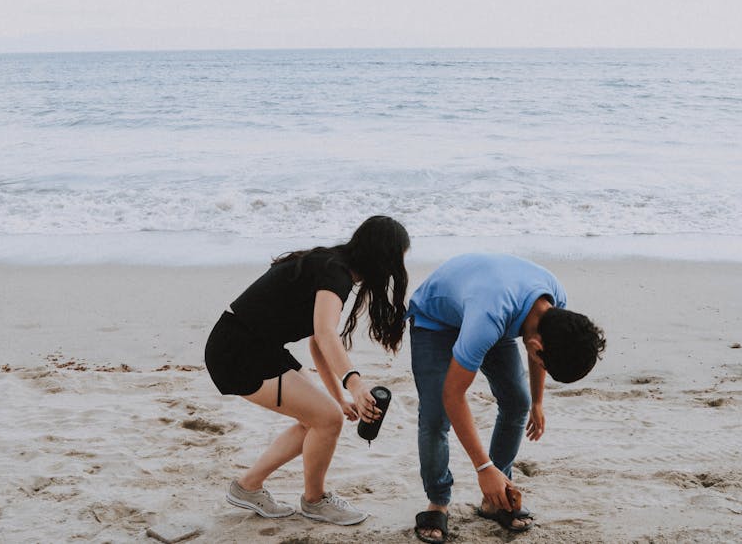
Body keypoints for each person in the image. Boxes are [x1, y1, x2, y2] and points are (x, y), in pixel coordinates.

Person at [204, 215, 409, 526]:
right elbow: (326, 335)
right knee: (326, 420)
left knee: (321, 416)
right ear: (383, 257)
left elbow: (318, 342)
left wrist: (338, 396)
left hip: (255, 345)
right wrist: (355, 385)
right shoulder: (335, 273)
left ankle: (248, 486)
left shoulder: (331, 265)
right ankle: (315, 501)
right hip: (238, 351)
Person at [407, 253, 606, 543]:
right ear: (537, 346)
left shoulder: (553, 301)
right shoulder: (489, 319)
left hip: (485, 306)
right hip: (435, 318)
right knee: (437, 413)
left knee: (518, 401)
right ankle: (438, 501)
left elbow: (540, 353)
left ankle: (495, 499)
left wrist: (537, 402)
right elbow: (454, 394)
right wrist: (483, 467)